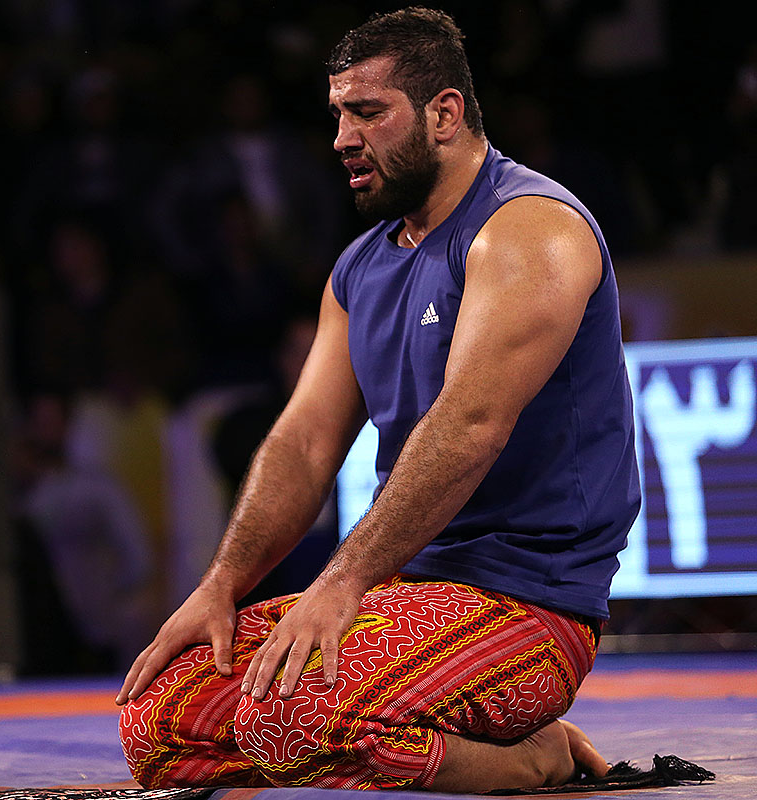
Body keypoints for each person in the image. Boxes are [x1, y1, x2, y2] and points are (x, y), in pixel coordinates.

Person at [116, 7, 640, 794]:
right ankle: (441, 735)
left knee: (292, 720)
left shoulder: (530, 230)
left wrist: (340, 582)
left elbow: (469, 426)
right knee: (155, 718)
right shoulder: (359, 268)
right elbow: (303, 445)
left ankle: (532, 757)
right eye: (337, 115)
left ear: (444, 115)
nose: (341, 138)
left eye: (367, 112)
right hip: (403, 597)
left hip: (527, 606)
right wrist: (220, 585)